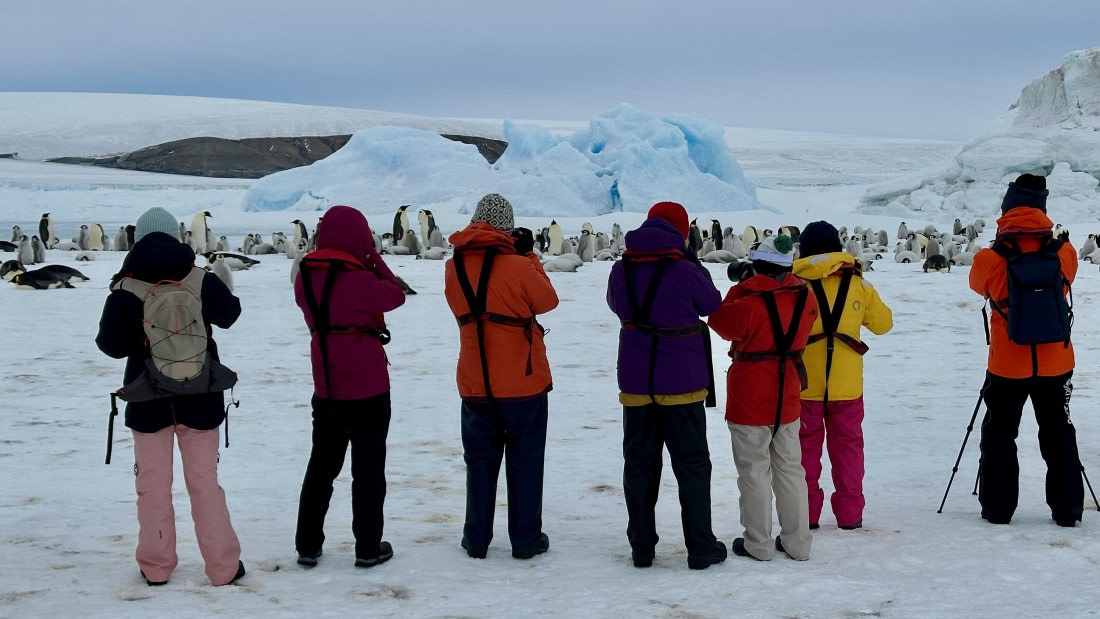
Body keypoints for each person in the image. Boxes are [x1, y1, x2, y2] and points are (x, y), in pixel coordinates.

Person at [96, 206, 245, 587]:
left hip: (147, 403)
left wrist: (142, 335)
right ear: (177, 237)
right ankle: (223, 568)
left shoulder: (126, 286)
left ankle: (156, 567)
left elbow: (110, 345)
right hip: (201, 398)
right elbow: (229, 315)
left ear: (138, 238)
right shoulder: (199, 278)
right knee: (205, 484)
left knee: (153, 486)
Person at [606, 201, 727, 570]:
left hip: (637, 383)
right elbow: (711, 303)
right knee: (692, 465)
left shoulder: (620, 268)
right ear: (681, 230)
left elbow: (616, 304)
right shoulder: (684, 268)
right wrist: (694, 263)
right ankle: (701, 548)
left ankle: (642, 547)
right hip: (683, 384)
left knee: (639, 465)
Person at [444, 193, 559, 560]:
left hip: (475, 379)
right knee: (525, 459)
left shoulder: (453, 266)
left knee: (479, 459)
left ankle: (476, 537)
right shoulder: (518, 265)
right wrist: (527, 257)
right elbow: (546, 302)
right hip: (522, 381)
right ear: (507, 228)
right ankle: (525, 539)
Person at [293, 205, 406, 568]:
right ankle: (368, 547)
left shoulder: (304, 277)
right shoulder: (359, 279)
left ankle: (307, 545)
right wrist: (371, 257)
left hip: (326, 387)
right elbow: (396, 294)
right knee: (368, 471)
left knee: (321, 469)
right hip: (369, 389)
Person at [969, 173, 1083, 527]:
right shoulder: (1063, 252)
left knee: (1000, 432)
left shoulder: (990, 257)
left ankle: (998, 509)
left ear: (1006, 210)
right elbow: (1067, 282)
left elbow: (977, 287)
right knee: (1058, 430)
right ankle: (1067, 510)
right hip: (1056, 361)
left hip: (1007, 364)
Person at [709, 233, 817, 561]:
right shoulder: (806, 296)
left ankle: (759, 544)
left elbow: (720, 321)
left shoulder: (746, 300)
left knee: (754, 469)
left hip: (750, 394)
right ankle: (798, 543)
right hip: (788, 394)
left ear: (757, 265)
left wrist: (741, 286)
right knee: (790, 468)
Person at [792, 221, 893, 530]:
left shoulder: (795, 284)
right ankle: (850, 515)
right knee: (848, 450)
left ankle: (806, 515)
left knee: (804, 452)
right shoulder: (859, 284)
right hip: (846, 386)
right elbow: (883, 324)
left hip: (804, 385)